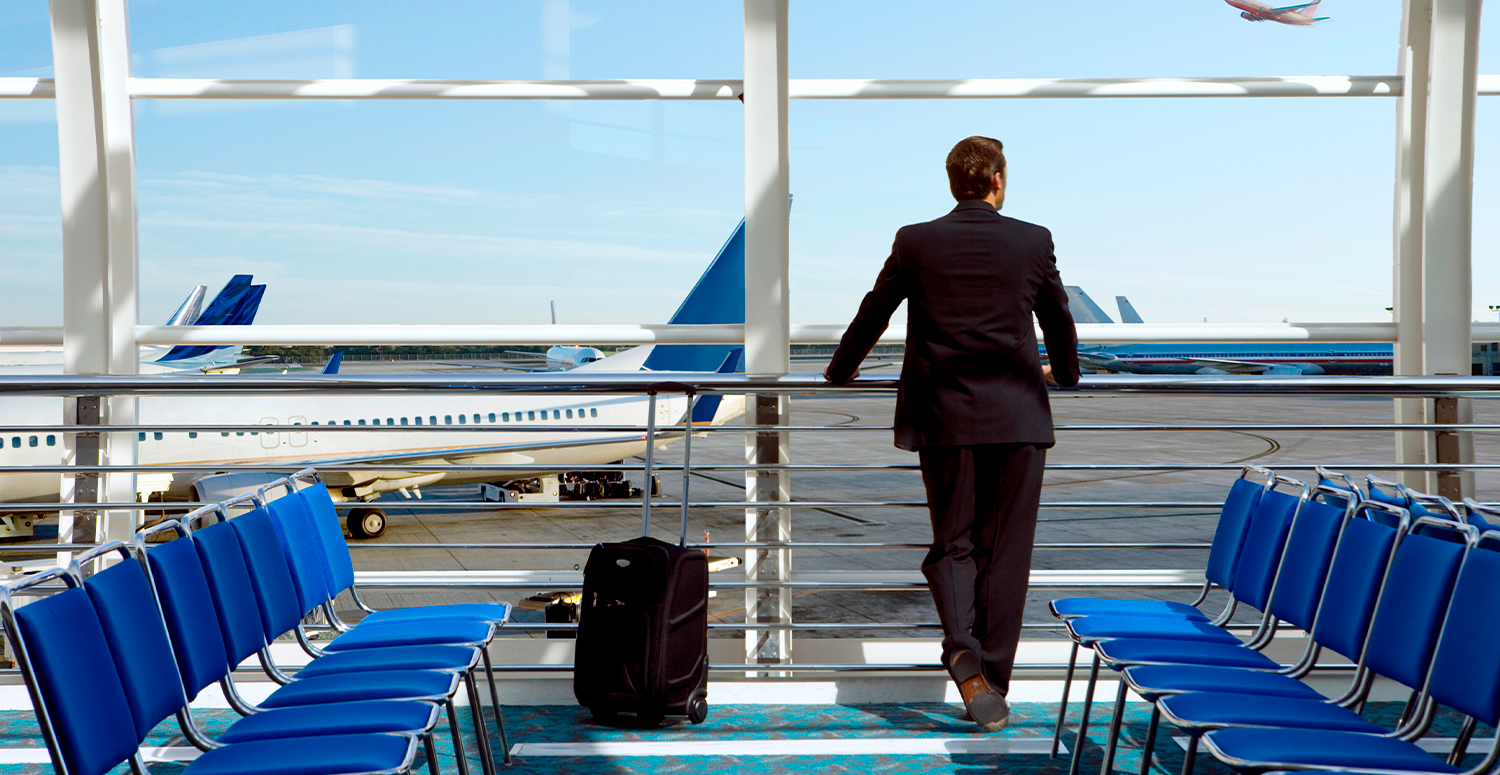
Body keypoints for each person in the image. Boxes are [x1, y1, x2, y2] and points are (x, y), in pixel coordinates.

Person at [824, 135, 1080, 732]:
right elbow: (1058, 318)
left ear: (952, 182)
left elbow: (875, 309)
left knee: (953, 543)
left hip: (944, 418)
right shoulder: (1032, 239)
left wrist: (839, 370)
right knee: (1005, 554)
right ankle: (989, 679)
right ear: (998, 180)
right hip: (1017, 418)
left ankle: (963, 653)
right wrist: (1066, 375)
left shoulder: (916, 240)